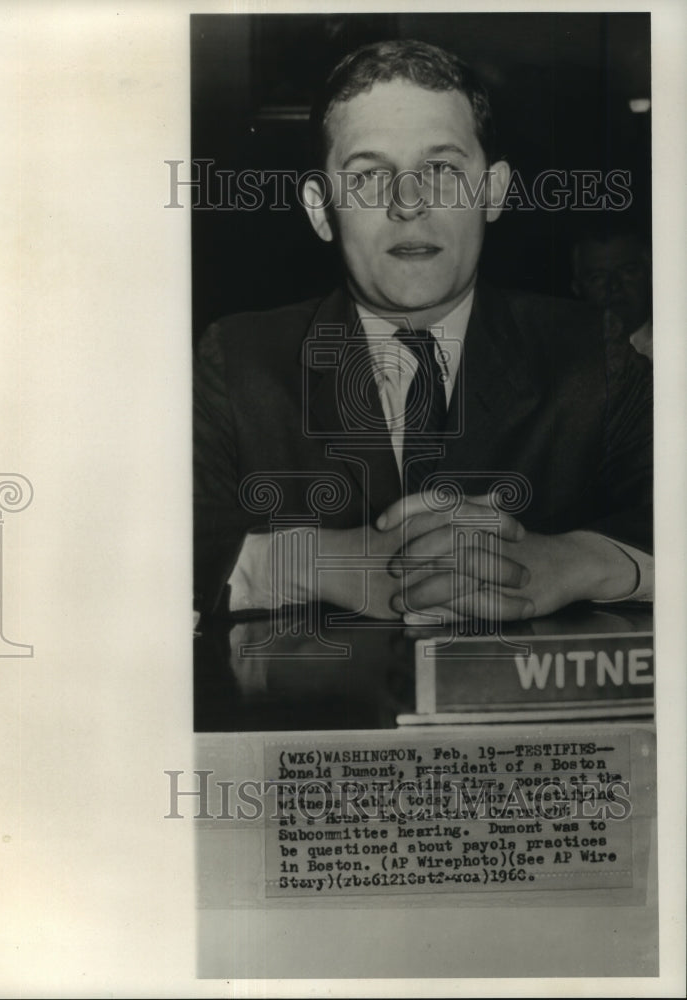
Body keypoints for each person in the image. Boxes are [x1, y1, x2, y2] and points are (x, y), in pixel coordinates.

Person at [193, 39, 653, 624]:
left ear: (493, 192)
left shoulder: (591, 354)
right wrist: (304, 562)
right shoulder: (237, 363)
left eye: (441, 170)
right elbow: (137, 556)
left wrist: (577, 561)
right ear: (319, 209)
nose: (409, 204)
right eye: (368, 176)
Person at [571, 222, 653, 361]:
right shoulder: (563, 360)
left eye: (628, 271)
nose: (614, 286)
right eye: (597, 277)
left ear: (651, 275)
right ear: (577, 288)